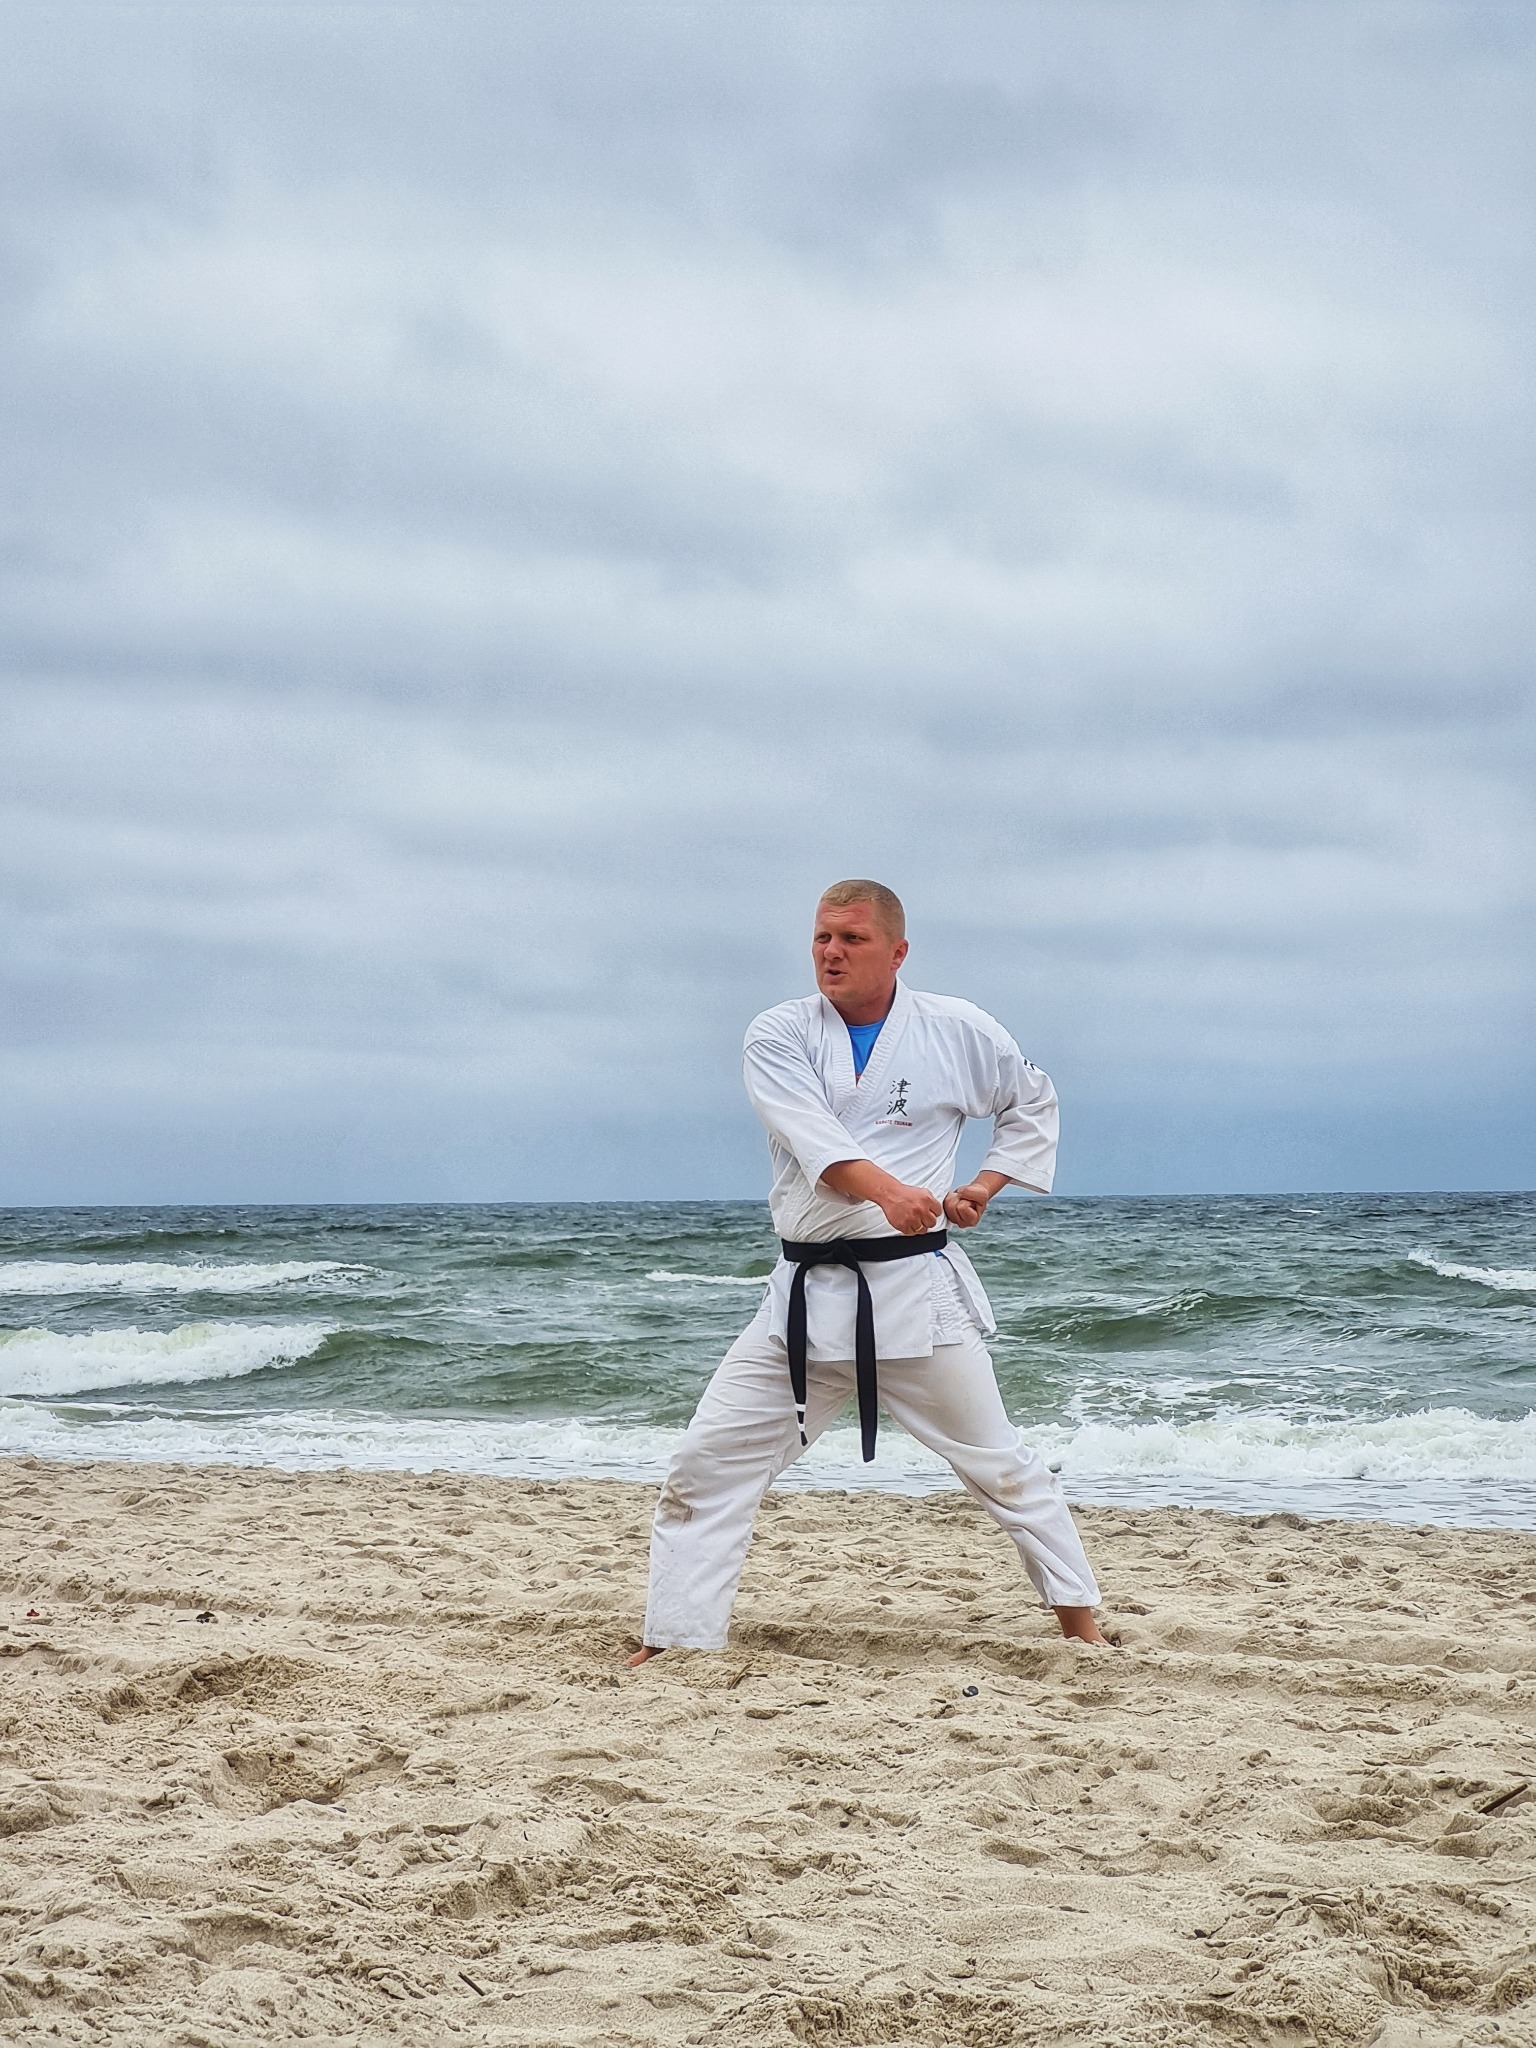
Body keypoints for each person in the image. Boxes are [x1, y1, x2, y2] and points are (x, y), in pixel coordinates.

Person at [628, 880, 1105, 1666]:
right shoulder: (778, 1033)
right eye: (821, 938)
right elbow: (813, 1138)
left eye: (851, 939)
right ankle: (676, 1640)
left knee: (1002, 1468)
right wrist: (891, 1194)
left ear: (897, 950)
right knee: (705, 1466)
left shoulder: (957, 1030)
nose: (831, 953)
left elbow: (1031, 1100)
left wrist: (980, 1188)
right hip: (803, 1299)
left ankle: (1080, 1626)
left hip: (915, 1296)